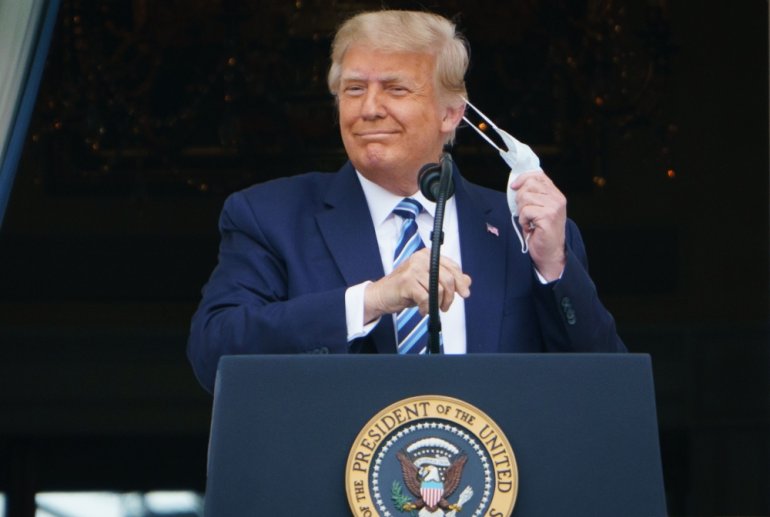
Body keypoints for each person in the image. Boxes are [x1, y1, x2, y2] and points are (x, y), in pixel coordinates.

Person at [187, 10, 626, 393]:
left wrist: (554, 268)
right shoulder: (270, 215)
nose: (370, 108)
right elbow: (215, 353)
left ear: (451, 113)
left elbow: (606, 388)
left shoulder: (525, 229)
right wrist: (373, 299)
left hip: (497, 484)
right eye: (355, 89)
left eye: (396, 89)